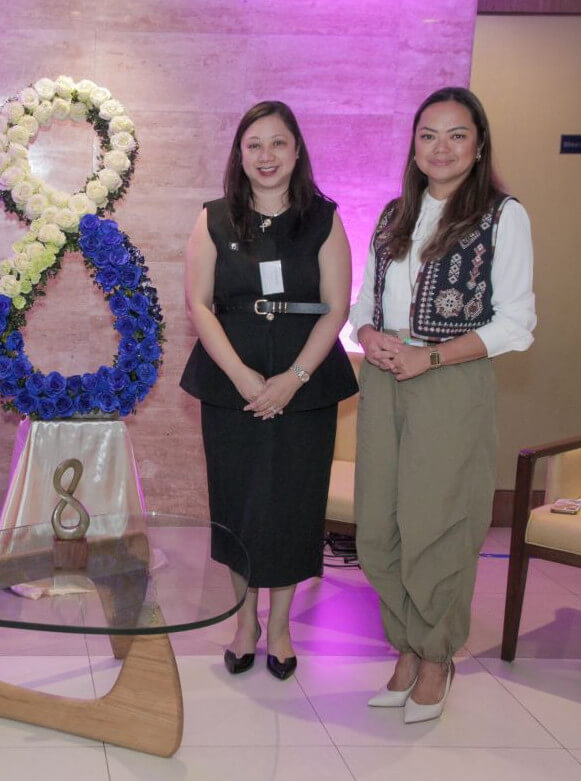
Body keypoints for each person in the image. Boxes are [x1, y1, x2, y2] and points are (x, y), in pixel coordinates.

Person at [350, 87, 536, 723]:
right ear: (413, 143)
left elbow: (516, 323)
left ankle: (435, 658)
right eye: (429, 134)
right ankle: (403, 645)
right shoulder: (392, 215)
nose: (442, 148)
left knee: (439, 524)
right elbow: (362, 307)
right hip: (384, 377)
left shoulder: (502, 216)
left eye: (457, 135)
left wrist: (429, 356)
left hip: (449, 378)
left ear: (479, 144)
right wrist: (370, 336)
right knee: (379, 525)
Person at [180, 101, 357, 680]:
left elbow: (337, 309)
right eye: (254, 144)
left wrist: (295, 378)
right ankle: (244, 622)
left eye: (278, 143)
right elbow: (199, 307)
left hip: (304, 385)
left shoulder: (325, 219)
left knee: (292, 506)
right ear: (239, 154)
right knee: (240, 504)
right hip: (234, 380)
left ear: (297, 151)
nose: (266, 156)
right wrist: (240, 376)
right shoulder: (212, 219)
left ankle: (279, 625)